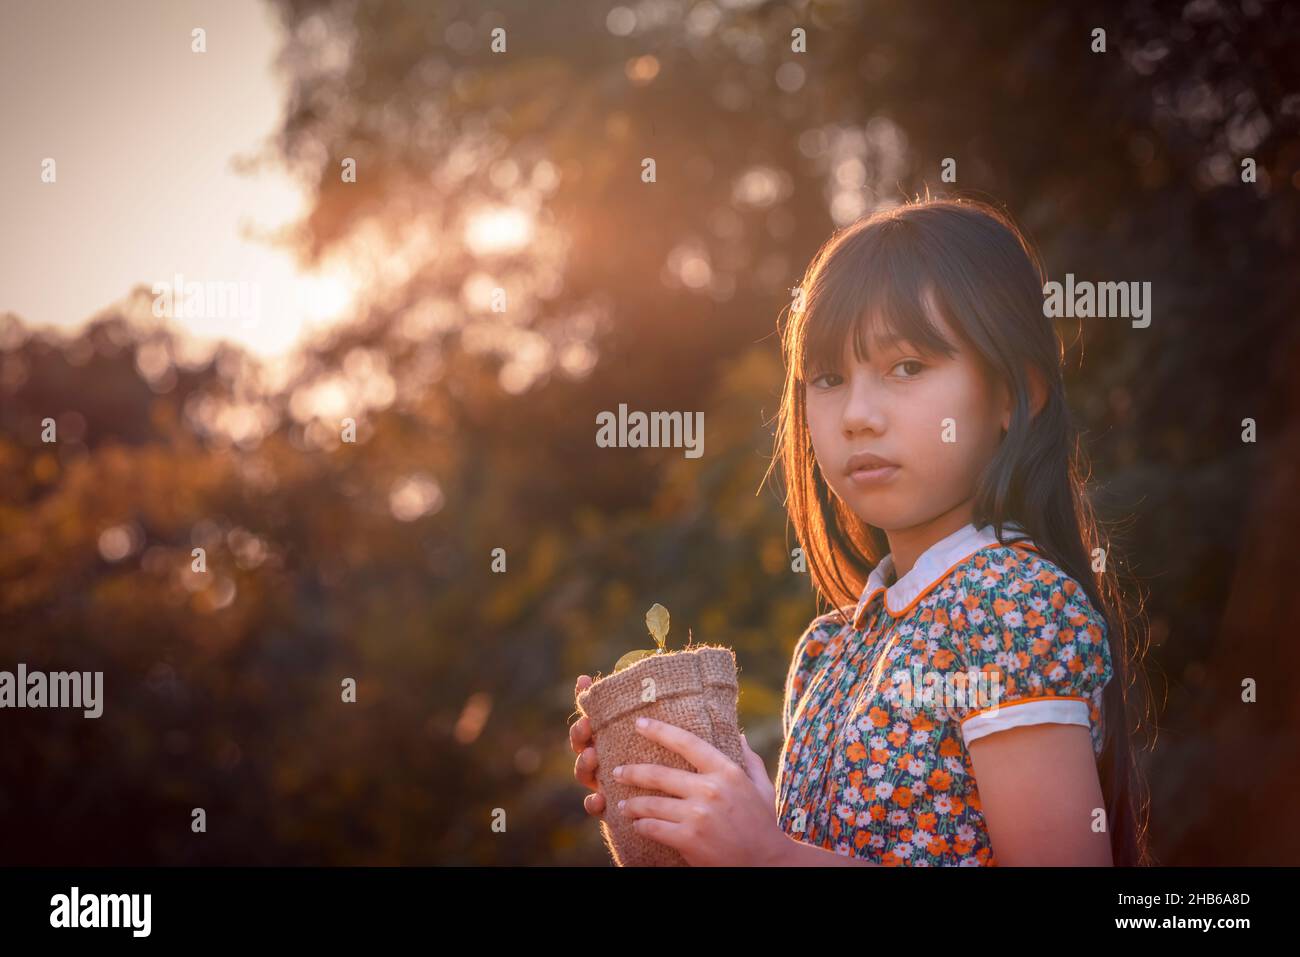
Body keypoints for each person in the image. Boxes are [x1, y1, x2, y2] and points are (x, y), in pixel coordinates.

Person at [570, 196, 1152, 866]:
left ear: (1013, 393)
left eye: (907, 366)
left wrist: (771, 856)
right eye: (827, 377)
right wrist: (692, 815)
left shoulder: (1010, 605)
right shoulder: (830, 649)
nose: (857, 414)